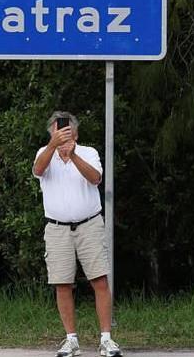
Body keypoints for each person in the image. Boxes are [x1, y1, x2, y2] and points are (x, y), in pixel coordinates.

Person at [32, 111, 122, 357]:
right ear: (51, 133)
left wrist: (72, 156)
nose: (62, 134)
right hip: (57, 228)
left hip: (89, 225)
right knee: (62, 284)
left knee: (100, 281)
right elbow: (38, 171)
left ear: (76, 133)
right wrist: (54, 146)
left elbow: (95, 178)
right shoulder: (44, 153)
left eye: (66, 130)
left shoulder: (89, 152)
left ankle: (106, 339)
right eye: (57, 131)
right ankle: (71, 339)